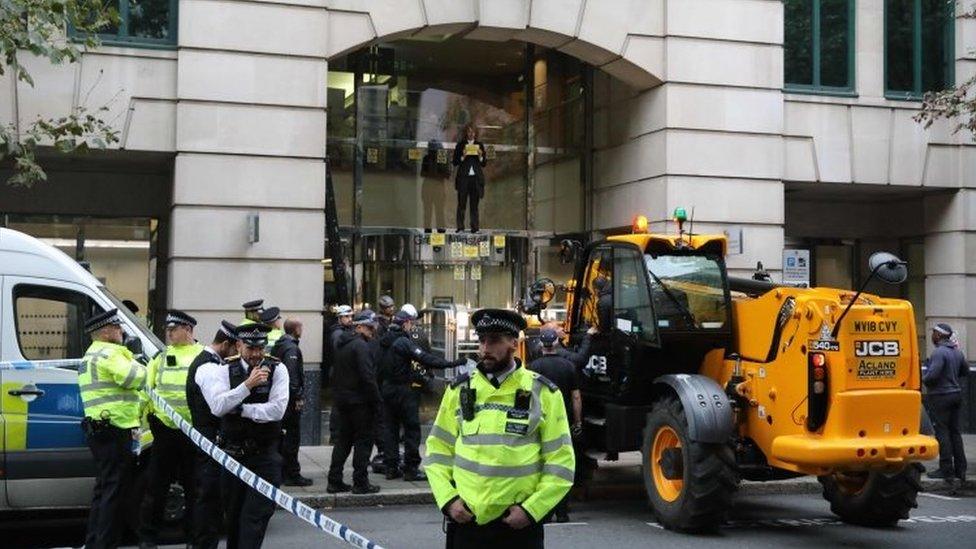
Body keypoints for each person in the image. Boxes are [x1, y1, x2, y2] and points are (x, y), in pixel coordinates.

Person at [425, 309, 575, 548]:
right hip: (467, 523)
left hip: (518, 526)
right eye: (481, 340)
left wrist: (531, 510)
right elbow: (437, 452)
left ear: (514, 343)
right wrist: (449, 501)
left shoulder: (543, 393)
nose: (485, 348)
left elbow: (561, 462)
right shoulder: (458, 391)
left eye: (494, 340)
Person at [196, 323, 289, 549]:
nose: (256, 354)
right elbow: (218, 406)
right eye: (250, 348)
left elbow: (277, 410)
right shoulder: (224, 370)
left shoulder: (278, 369)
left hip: (265, 457)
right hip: (233, 457)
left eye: (260, 348)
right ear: (238, 345)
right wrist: (247, 386)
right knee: (234, 520)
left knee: (254, 520)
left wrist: (242, 410)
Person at [77, 308, 147, 549]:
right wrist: (137, 359)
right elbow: (135, 378)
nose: (122, 331)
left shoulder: (91, 354)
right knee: (114, 494)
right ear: (105, 332)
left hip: (99, 430)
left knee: (103, 490)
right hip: (116, 429)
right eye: (117, 327)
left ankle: (94, 542)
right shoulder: (109, 353)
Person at [377, 306, 466, 481]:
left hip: (387, 390)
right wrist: (452, 364)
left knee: (391, 429)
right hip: (404, 391)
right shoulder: (403, 342)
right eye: (411, 324)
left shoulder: (382, 341)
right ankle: (411, 469)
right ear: (406, 324)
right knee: (411, 429)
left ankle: (391, 468)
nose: (412, 327)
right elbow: (425, 358)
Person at [139, 311, 205, 547]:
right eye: (167, 329)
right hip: (165, 432)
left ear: (187, 330)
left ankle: (193, 539)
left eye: (172, 329)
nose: (167, 333)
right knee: (155, 488)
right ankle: (147, 539)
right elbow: (146, 389)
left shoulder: (204, 356)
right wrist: (146, 419)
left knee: (194, 489)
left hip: (193, 434)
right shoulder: (161, 357)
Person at [186, 320, 239, 549]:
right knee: (208, 498)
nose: (236, 353)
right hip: (208, 439)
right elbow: (217, 407)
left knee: (208, 496)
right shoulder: (208, 366)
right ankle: (202, 543)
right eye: (235, 348)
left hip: (206, 437)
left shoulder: (208, 361)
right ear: (226, 344)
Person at [529, 329, 583, 523]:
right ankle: (562, 511)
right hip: (562, 422)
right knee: (561, 465)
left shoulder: (533, 367)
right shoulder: (569, 366)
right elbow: (575, 397)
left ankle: (544, 509)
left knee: (541, 465)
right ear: (557, 344)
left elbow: (527, 396)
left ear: (541, 345)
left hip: (539, 422)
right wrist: (577, 422)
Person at [328, 310, 383, 495]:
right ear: (358, 326)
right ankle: (360, 482)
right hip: (360, 403)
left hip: (343, 401)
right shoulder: (360, 346)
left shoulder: (342, 343)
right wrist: (377, 401)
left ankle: (334, 480)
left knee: (343, 442)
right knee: (363, 442)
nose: (372, 331)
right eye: (368, 327)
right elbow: (368, 377)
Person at [923, 323, 969, 483]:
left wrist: (924, 378)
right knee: (955, 433)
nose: (932, 336)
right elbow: (965, 371)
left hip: (941, 396)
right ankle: (961, 470)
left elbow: (933, 375)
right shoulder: (957, 351)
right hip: (956, 394)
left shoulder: (939, 353)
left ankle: (946, 469)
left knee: (942, 432)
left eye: (934, 333)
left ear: (939, 335)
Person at [272, 318, 312, 486]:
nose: (302, 329)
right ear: (296, 329)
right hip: (289, 401)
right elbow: (292, 377)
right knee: (291, 439)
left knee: (283, 438)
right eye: (301, 326)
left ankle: (282, 472)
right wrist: (297, 397)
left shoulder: (280, 345)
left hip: (282, 398)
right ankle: (292, 474)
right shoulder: (291, 349)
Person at [452, 124, 487, 233]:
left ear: (476, 133)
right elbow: (455, 162)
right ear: (466, 133)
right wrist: (463, 156)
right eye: (469, 131)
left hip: (475, 178)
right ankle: (460, 227)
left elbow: (484, 163)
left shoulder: (479, 145)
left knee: (474, 205)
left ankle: (475, 228)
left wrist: (481, 156)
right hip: (464, 178)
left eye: (473, 132)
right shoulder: (460, 145)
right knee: (461, 204)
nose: (471, 134)